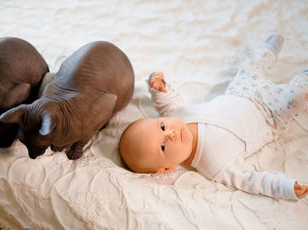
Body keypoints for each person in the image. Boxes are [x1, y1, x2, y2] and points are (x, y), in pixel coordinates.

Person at [119, 34, 308, 201]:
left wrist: (157, 87)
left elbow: (166, 102)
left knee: (249, 69)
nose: (170, 134)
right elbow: (251, 179)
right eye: (163, 146)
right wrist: (285, 187)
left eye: (162, 127)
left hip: (240, 91)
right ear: (166, 169)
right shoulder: (213, 164)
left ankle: (269, 53)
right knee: (297, 97)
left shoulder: (174, 115)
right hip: (271, 116)